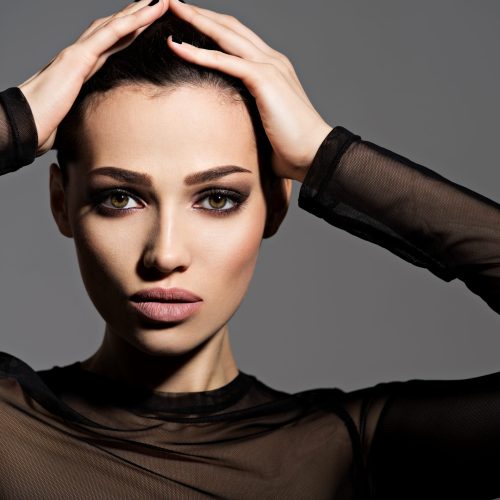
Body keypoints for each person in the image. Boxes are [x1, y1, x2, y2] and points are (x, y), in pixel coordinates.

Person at [1, 0, 499, 498]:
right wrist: (16, 119)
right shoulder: (10, 429)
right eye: (120, 197)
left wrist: (326, 156)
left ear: (276, 207)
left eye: (217, 198)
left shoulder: (346, 450)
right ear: (62, 204)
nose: (165, 254)